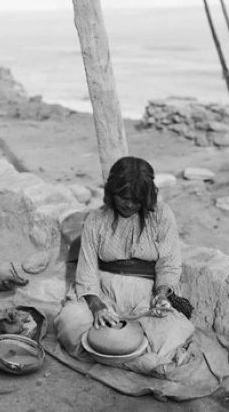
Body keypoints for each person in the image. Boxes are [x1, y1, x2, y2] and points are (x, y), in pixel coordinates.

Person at [54, 156, 195, 377]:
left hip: (145, 297)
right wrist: (96, 305)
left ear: (147, 197)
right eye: (123, 197)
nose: (129, 204)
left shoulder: (162, 215)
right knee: (69, 323)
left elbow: (169, 263)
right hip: (104, 292)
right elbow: (88, 271)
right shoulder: (97, 219)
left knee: (176, 331)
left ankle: (111, 354)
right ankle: (139, 361)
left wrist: (161, 295)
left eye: (136, 200)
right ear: (111, 193)